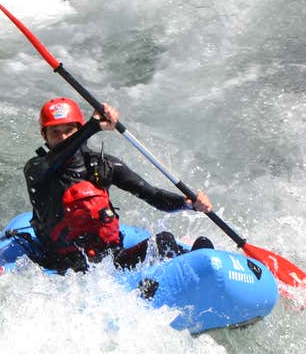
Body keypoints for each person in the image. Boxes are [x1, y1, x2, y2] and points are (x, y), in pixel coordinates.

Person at [24, 97, 214, 273]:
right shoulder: (37, 169)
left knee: (164, 242)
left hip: (111, 261)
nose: (63, 137)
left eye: (69, 130)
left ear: (78, 130)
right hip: (64, 267)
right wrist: (92, 127)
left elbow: (153, 195)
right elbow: (53, 162)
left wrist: (189, 203)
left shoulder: (103, 165)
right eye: (55, 132)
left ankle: (201, 265)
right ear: (45, 136)